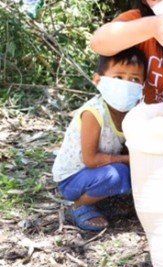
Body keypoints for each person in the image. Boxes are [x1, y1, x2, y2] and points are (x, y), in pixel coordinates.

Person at [52, 47, 147, 231]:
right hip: (72, 179)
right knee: (119, 174)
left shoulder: (133, 112)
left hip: (96, 173)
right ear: (98, 80)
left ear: (143, 85)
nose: (127, 84)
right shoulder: (94, 113)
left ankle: (103, 200)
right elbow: (90, 159)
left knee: (133, 171)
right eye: (118, 77)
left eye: (135, 79)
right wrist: (128, 160)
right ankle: (79, 205)